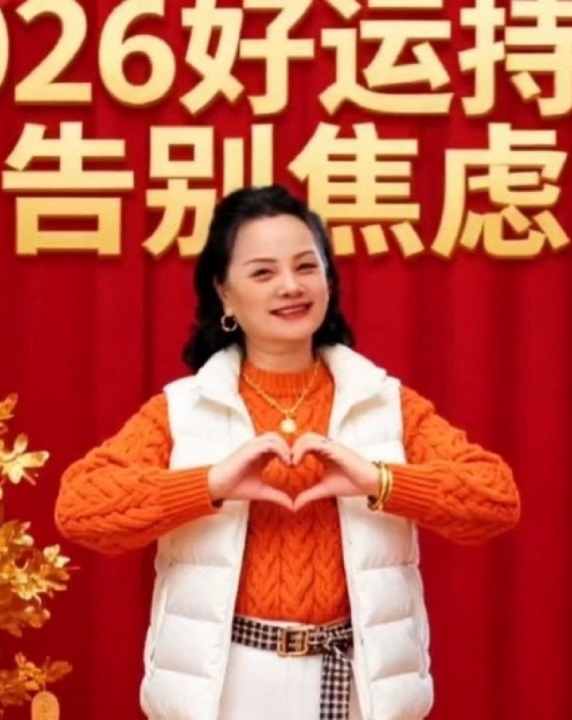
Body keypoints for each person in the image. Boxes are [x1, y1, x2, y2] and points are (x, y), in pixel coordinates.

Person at [54, 185, 520, 720]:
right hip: (226, 686)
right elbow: (80, 508)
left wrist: (379, 480)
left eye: (306, 266)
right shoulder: (185, 408)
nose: (291, 286)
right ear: (224, 293)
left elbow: (496, 500)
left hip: (356, 683)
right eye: (263, 272)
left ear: (328, 279)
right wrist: (209, 484)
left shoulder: (382, 401)